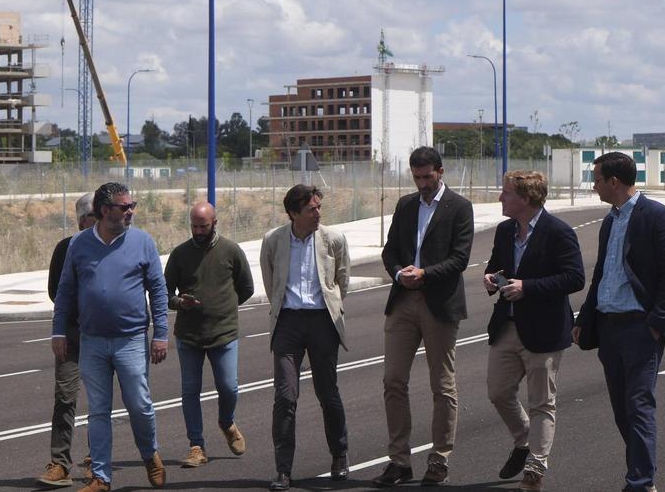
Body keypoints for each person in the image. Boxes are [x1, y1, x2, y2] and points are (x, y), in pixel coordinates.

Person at [573, 152, 665, 492]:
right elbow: (602, 275)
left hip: (640, 327)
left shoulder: (658, 217)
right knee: (623, 409)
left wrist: (656, 324)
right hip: (609, 327)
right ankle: (641, 472)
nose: (593, 186)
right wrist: (586, 317)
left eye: (596, 180)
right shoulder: (609, 221)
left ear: (614, 182)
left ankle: (640, 482)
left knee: (638, 404)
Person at [52, 182, 169, 492]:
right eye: (124, 207)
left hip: (131, 340)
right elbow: (65, 290)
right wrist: (59, 330)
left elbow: (158, 289)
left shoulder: (143, 242)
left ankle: (149, 453)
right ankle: (101, 477)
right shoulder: (79, 245)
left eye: (132, 205)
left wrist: (161, 334)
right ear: (105, 211)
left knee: (140, 405)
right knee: (99, 411)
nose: (130, 211)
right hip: (92, 342)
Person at [373, 146, 474, 488]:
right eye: (416, 178)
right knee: (393, 381)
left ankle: (439, 457)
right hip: (403, 300)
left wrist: (425, 274)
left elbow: (460, 258)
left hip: (439, 303)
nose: (422, 184)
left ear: (440, 172)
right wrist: (400, 272)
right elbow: (389, 251)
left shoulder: (459, 207)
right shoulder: (405, 205)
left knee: (442, 385)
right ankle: (399, 460)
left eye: (427, 177)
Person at [483, 171, 585, 492]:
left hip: (544, 330)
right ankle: (524, 440)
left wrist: (528, 287)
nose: (501, 198)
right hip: (508, 326)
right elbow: (496, 265)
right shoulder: (504, 230)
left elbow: (574, 278)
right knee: (498, 392)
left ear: (524, 199)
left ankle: (535, 469)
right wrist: (491, 278)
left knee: (542, 402)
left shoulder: (559, 232)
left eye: (506, 193)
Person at [259, 184, 351, 491]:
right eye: (311, 209)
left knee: (328, 392)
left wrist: (332, 310)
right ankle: (283, 470)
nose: (318, 213)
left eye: (319, 207)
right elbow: (271, 281)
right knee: (285, 396)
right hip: (287, 322)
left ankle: (339, 454)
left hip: (322, 321)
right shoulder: (273, 240)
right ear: (293, 213)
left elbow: (342, 281)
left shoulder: (333, 239)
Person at [165, 202, 254, 469]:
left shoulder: (230, 250)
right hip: (189, 336)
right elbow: (165, 294)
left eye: (203, 226)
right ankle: (196, 446)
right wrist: (181, 303)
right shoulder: (180, 254)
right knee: (190, 391)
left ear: (215, 222)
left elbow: (246, 287)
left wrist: (224, 307)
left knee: (228, 387)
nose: (198, 231)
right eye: (194, 225)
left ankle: (227, 422)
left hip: (224, 334)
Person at [37, 193, 96, 488]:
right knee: (64, 398)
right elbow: (54, 291)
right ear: (83, 219)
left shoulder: (112, 247)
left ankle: (96, 460)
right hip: (72, 337)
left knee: (100, 401)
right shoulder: (65, 248)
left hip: (102, 336)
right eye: (94, 216)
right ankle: (60, 464)